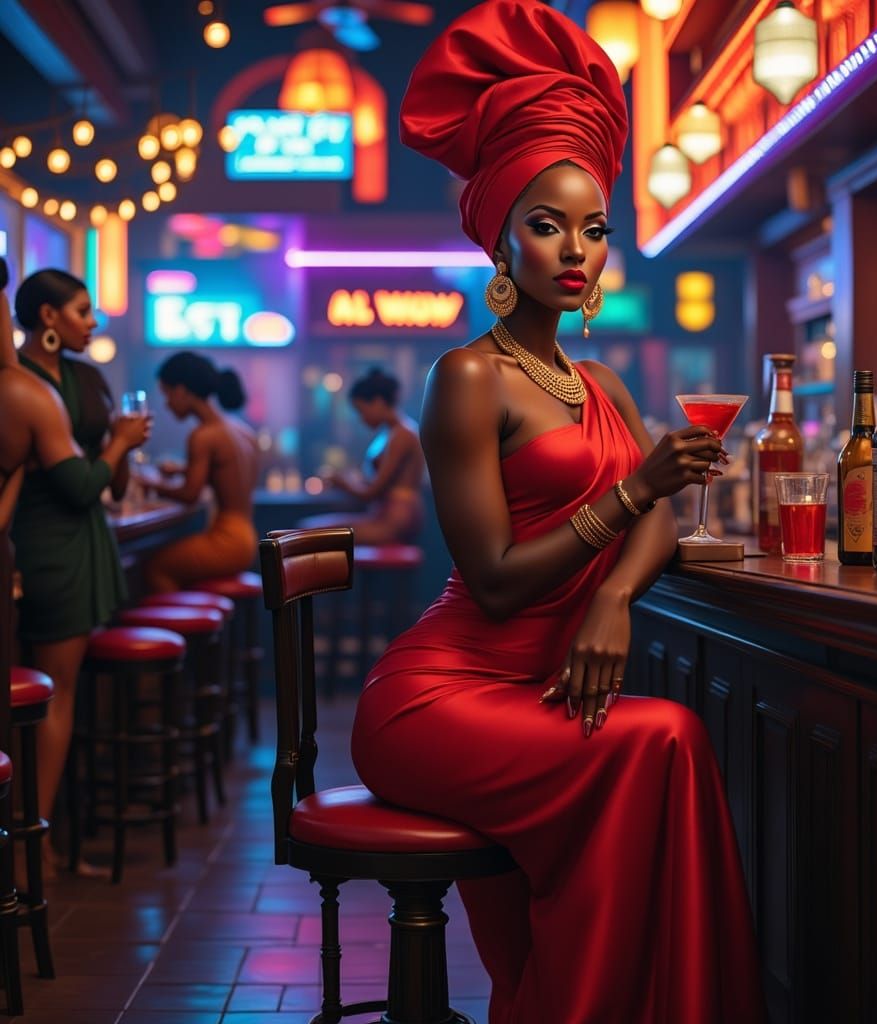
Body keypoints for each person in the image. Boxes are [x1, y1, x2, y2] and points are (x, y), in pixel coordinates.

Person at [350, 4, 766, 1022]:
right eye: (546, 224)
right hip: (438, 697)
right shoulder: (466, 378)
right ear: (501, 238)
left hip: (541, 694)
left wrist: (613, 597)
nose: (575, 249)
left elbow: (654, 524)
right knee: (664, 736)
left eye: (594, 228)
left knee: (664, 743)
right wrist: (635, 491)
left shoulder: (601, 381)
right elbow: (495, 579)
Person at [3, 265, 149, 872]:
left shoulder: (86, 377)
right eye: (83, 312)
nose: (92, 323)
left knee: (59, 694)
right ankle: (36, 848)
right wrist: (115, 446)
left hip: (83, 542)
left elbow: (109, 486)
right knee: (52, 695)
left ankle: (47, 835)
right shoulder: (21, 383)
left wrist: (123, 448)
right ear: (48, 317)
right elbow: (80, 486)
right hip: (47, 544)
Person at [142, 352, 258, 593]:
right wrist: (183, 469)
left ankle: (181, 620)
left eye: (167, 394)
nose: (167, 405)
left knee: (156, 567)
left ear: (182, 391)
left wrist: (150, 485)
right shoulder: (242, 430)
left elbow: (190, 495)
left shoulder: (203, 436)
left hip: (227, 541)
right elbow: (228, 473)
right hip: (248, 537)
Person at [299, 368, 426, 544]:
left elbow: (372, 492)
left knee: (307, 533)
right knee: (307, 529)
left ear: (378, 402)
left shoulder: (402, 435)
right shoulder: (391, 433)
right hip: (383, 515)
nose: (362, 418)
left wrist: (341, 483)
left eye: (362, 411)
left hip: (395, 521)